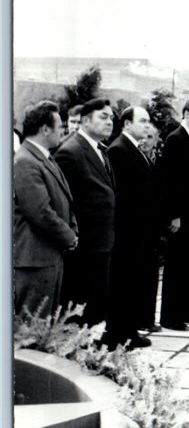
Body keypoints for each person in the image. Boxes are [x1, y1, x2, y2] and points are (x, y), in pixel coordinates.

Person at [54, 98, 116, 328]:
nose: (109, 122)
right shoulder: (71, 152)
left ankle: (95, 357)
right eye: (103, 117)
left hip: (101, 243)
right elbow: (64, 203)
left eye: (111, 117)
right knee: (81, 311)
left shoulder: (99, 150)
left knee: (97, 309)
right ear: (85, 120)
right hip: (84, 249)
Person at [13, 101, 78, 317]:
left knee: (45, 326)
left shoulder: (42, 157)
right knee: (32, 329)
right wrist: (69, 236)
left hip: (48, 256)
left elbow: (64, 199)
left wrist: (72, 228)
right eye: (60, 126)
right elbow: (39, 211)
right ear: (45, 129)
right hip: (35, 259)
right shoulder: (25, 161)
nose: (64, 130)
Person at [105, 106, 158, 347]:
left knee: (134, 282)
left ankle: (129, 330)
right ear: (126, 124)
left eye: (148, 122)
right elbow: (123, 195)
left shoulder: (133, 149)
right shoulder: (119, 150)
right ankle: (121, 333)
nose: (147, 126)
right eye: (142, 121)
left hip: (140, 230)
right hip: (128, 231)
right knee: (124, 283)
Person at [158, 99, 189, 331]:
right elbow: (170, 181)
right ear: (186, 114)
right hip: (181, 215)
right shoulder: (175, 139)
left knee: (188, 266)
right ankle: (170, 317)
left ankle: (184, 311)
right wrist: (174, 215)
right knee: (176, 266)